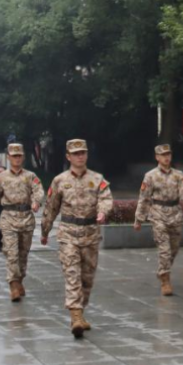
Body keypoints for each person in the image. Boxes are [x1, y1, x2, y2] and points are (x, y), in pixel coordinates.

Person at [41, 139, 113, 338]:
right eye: (76, 153)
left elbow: (106, 199)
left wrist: (102, 212)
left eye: (83, 152)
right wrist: (45, 231)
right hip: (68, 234)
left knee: (87, 279)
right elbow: (51, 207)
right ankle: (75, 316)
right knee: (72, 275)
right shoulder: (59, 181)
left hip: (90, 234)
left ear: (87, 155)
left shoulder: (97, 178)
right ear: (68, 156)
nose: (80, 156)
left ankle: (80, 311)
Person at [134, 144, 183, 296]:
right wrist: (138, 219)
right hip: (158, 214)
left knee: (174, 248)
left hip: (175, 214)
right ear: (157, 157)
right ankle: (165, 280)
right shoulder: (150, 176)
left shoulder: (178, 175)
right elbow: (144, 198)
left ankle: (163, 271)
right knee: (164, 249)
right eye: (163, 155)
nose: (166, 157)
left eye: (168, 154)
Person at [0, 144, 45, 301]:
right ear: (9, 157)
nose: (17, 158)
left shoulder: (30, 176)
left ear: (22, 157)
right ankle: (13, 285)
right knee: (11, 253)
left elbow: (39, 190)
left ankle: (19, 279)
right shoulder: (1, 177)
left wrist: (36, 201)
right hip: (8, 218)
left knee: (23, 254)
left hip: (26, 217)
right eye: (14, 156)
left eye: (19, 155)